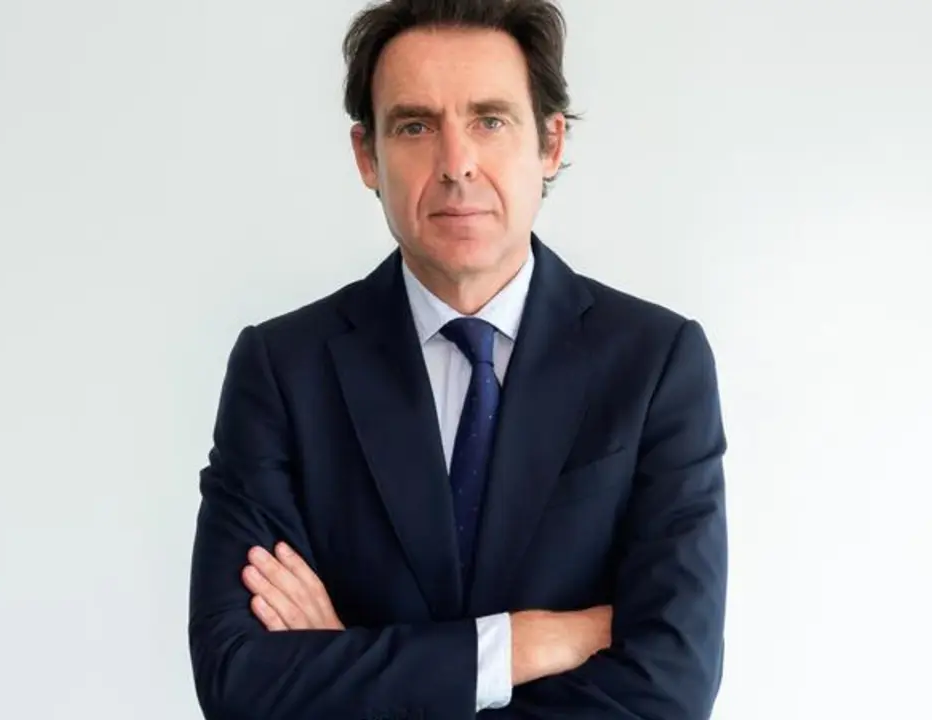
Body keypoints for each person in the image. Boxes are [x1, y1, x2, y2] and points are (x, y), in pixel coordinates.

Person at [186, 1, 728, 717]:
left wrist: (350, 667)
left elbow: (669, 690)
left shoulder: (657, 364)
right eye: (415, 126)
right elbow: (239, 681)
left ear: (550, 143)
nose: (455, 164)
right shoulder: (283, 370)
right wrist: (517, 646)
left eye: (490, 121)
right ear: (367, 156)